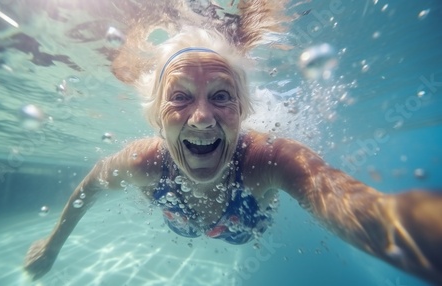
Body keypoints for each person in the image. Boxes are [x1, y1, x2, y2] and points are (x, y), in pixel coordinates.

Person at [24, 4, 442, 285]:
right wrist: (52, 246)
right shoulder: (143, 161)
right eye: (180, 97)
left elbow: (367, 211)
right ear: (156, 118)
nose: (202, 118)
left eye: (221, 96)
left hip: (244, 228)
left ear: (242, 111)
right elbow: (91, 187)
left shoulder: (268, 158)